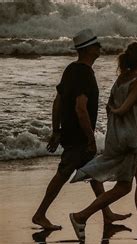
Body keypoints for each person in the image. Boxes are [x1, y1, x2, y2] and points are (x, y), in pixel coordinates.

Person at [69, 42, 137, 241]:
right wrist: (118, 112)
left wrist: (115, 113)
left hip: (119, 138)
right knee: (124, 187)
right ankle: (81, 216)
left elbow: (110, 107)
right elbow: (123, 108)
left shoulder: (120, 80)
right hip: (130, 140)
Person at [32, 29, 131, 230]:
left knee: (94, 173)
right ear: (88, 50)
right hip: (78, 136)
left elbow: (58, 101)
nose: (100, 48)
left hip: (69, 132)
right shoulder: (84, 74)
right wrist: (90, 138)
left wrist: (56, 130)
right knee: (63, 173)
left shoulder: (71, 69)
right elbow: (80, 108)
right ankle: (40, 214)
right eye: (96, 45)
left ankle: (107, 213)